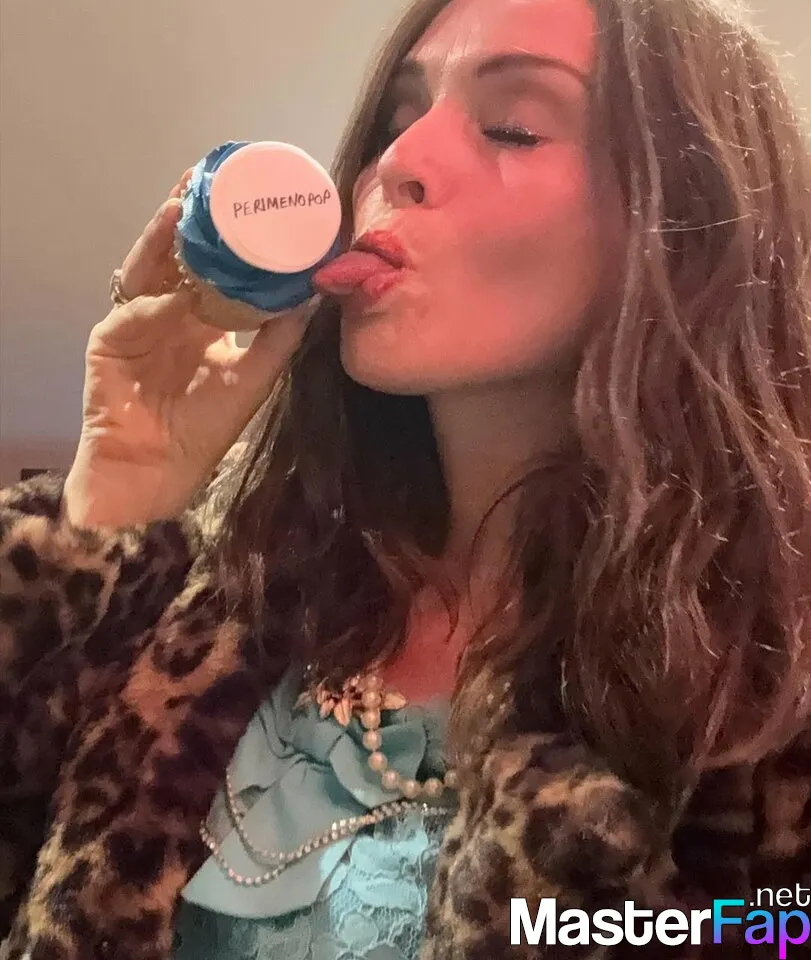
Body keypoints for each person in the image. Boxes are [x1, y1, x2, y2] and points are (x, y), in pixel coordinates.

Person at [2, 0, 810, 957]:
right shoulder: (239, 597)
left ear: (686, 226)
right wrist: (117, 500)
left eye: (511, 126)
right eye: (397, 117)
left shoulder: (767, 698)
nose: (397, 161)